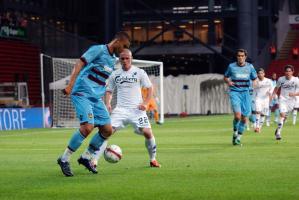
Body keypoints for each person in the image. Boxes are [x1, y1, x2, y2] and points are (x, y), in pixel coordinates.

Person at [57, 31, 131, 177]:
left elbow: (100, 79)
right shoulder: (98, 50)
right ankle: (64, 159)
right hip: (82, 93)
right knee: (87, 127)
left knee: (107, 130)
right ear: (116, 41)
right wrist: (70, 85)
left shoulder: (112, 60)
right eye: (122, 46)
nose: (122, 51)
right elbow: (79, 63)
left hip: (96, 99)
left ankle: (85, 157)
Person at [92, 49, 161, 168]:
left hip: (137, 110)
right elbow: (108, 91)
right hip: (120, 110)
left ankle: (153, 159)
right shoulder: (115, 74)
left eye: (127, 58)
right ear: (119, 60)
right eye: (122, 58)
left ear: (131, 59)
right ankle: (94, 161)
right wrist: (107, 103)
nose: (124, 61)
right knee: (106, 132)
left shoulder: (139, 72)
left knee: (147, 132)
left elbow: (150, 88)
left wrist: (145, 103)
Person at [224, 49, 257, 145]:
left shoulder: (250, 67)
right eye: (239, 55)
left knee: (244, 118)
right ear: (236, 57)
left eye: (242, 56)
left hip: (246, 93)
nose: (240, 57)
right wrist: (228, 82)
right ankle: (234, 132)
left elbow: (254, 79)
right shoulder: (231, 66)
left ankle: (238, 138)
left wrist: (253, 86)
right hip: (235, 92)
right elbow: (225, 76)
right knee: (238, 116)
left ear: (245, 57)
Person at [271, 65, 299, 140]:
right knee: (282, 115)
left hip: (292, 100)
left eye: (289, 71)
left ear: (292, 72)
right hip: (282, 99)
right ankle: (279, 133)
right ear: (284, 72)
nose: (288, 72)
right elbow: (276, 88)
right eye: (286, 71)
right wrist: (273, 95)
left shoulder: (296, 80)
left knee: (284, 118)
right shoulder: (281, 79)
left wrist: (294, 94)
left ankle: (278, 128)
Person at [252, 68, 273, 133]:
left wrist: (270, 92)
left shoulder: (268, 81)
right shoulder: (255, 81)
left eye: (261, 73)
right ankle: (257, 127)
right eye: (259, 73)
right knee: (258, 112)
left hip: (266, 99)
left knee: (263, 114)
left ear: (264, 74)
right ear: (257, 74)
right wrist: (252, 98)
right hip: (258, 98)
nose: (260, 74)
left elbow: (272, 88)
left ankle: (259, 127)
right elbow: (253, 89)